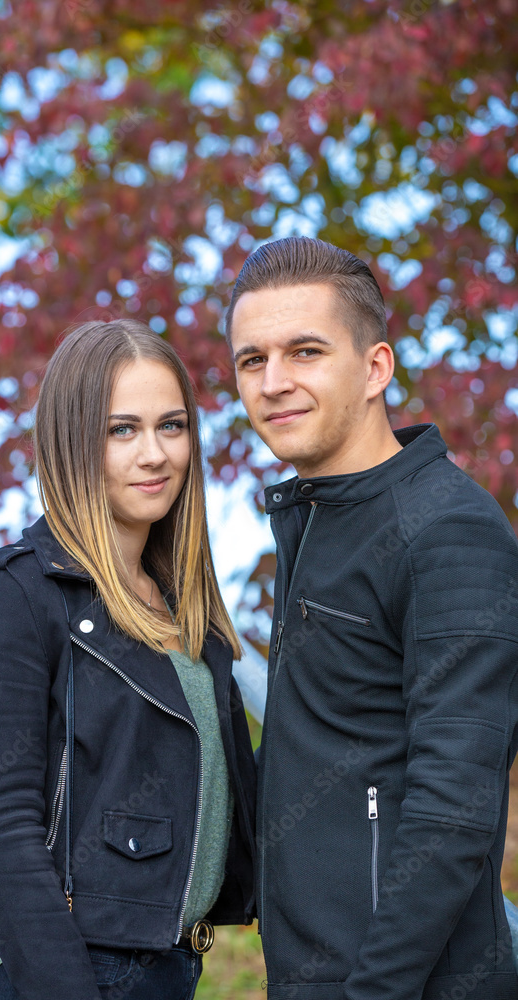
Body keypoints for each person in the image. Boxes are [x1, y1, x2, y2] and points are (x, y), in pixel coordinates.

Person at [226, 236, 518, 1000]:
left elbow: (453, 809)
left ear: (375, 368)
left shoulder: (446, 528)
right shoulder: (316, 519)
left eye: (305, 351)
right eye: (251, 360)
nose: (274, 382)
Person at [0, 319, 256, 1000]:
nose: (154, 454)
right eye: (122, 430)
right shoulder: (12, 596)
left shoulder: (191, 615)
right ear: (72, 440)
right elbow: (1, 831)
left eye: (171, 427)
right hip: (50, 974)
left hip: (164, 972)